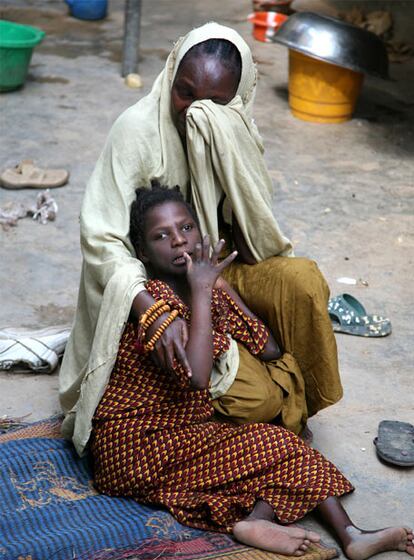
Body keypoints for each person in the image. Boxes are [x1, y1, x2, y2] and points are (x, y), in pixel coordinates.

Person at [59, 22, 342, 457]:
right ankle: (253, 423)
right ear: (171, 73)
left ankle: (297, 410)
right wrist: (151, 308)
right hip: (160, 288)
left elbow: (251, 228)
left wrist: (225, 282)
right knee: (253, 394)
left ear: (238, 98)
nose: (193, 111)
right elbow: (102, 236)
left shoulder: (236, 127)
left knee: (301, 281)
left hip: (216, 268)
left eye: (214, 103)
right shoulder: (138, 130)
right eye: (184, 92)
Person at [91, 184, 414, 560]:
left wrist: (222, 288)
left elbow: (269, 347)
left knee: (286, 448)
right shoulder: (153, 302)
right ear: (144, 252)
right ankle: (272, 524)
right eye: (162, 236)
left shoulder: (208, 287)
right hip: (137, 446)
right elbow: (197, 376)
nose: (179, 242)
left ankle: (347, 535)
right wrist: (201, 290)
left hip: (184, 430)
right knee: (278, 446)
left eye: (186, 228)